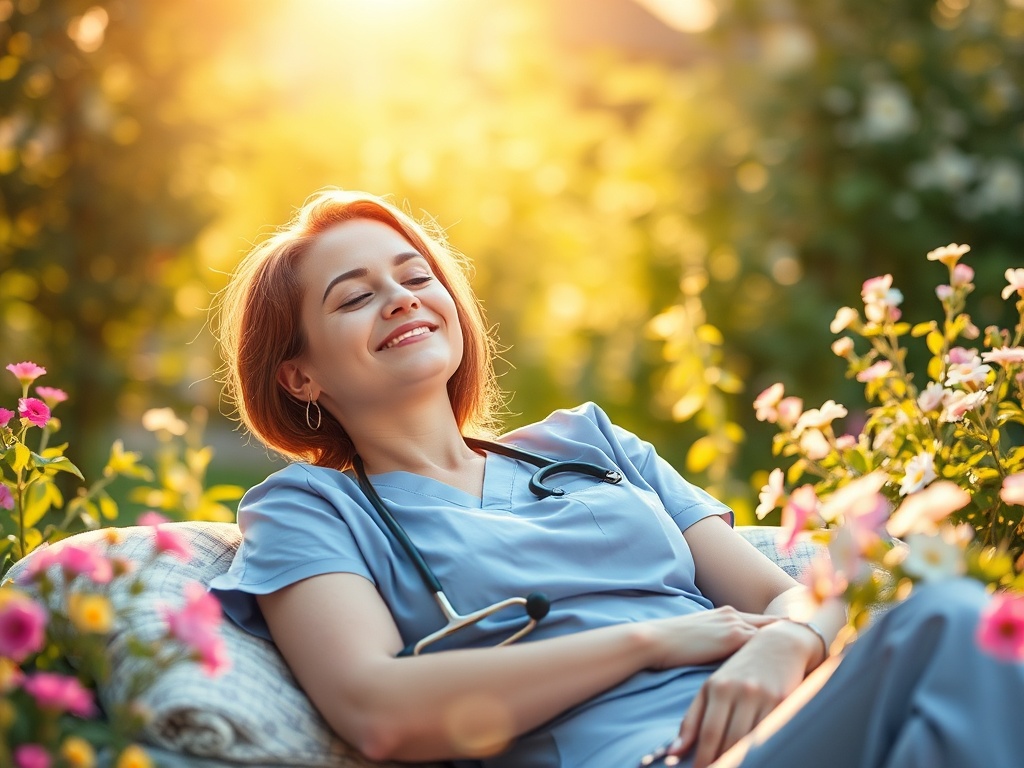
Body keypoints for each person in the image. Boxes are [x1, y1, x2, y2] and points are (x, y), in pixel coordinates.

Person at [208, 188, 1023, 768]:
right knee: (950, 620)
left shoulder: (590, 440)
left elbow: (779, 590)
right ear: (299, 378)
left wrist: (789, 639)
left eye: (416, 276)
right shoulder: (308, 510)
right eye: (355, 297)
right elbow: (378, 711)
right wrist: (653, 639)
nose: (400, 299)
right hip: (651, 754)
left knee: (939, 594)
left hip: (792, 715)